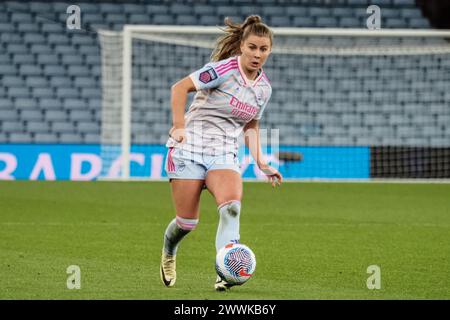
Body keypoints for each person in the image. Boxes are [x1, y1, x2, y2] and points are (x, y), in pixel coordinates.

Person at [160, 15, 282, 291]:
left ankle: (225, 270)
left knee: (232, 207)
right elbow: (180, 88)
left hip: (224, 153)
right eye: (252, 47)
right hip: (188, 148)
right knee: (186, 223)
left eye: (263, 49)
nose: (257, 54)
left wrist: (262, 163)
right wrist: (179, 126)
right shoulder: (222, 70)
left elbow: (251, 124)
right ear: (241, 45)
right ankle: (169, 251)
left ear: (270, 51)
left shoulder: (264, 89)